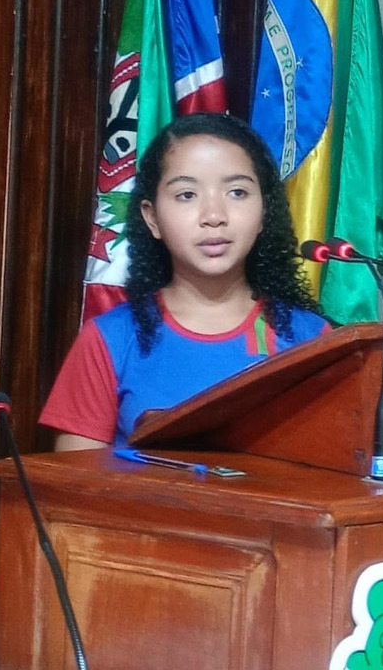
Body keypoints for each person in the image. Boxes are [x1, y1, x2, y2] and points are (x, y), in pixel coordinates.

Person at [40, 113, 330, 449]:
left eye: (237, 192)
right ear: (152, 218)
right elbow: (76, 479)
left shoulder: (313, 340)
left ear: (264, 210)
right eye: (187, 195)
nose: (214, 216)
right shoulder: (109, 339)